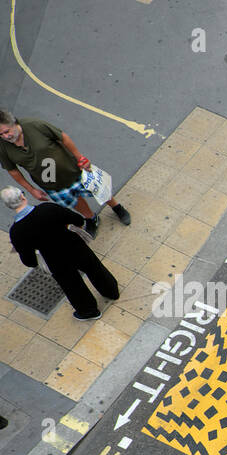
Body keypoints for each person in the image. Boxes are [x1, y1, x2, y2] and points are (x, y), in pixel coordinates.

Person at [0, 110, 130, 239]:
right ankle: (91, 218)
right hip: (52, 185)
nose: (6, 137)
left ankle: (117, 208)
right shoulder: (3, 146)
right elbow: (13, 170)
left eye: (7, 131)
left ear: (14, 123)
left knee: (99, 190)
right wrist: (32, 190)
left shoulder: (35, 125)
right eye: (1, 134)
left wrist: (80, 158)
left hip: (74, 171)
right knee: (74, 201)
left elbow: (63, 137)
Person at [3, 186, 118, 320]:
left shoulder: (16, 232)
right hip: (75, 246)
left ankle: (89, 311)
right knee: (94, 269)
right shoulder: (48, 208)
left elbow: (29, 261)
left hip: (55, 260)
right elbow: (78, 220)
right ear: (23, 197)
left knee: (72, 285)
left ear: (9, 206)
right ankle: (111, 291)